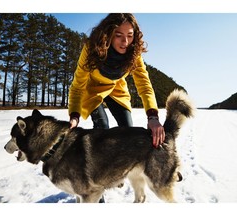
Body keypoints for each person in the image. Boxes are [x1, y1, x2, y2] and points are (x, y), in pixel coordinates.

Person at [68, 12, 165, 203]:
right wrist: (75, 116)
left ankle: (118, 172)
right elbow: (77, 86)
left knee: (129, 134)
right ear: (108, 34)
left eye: (130, 35)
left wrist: (152, 117)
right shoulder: (91, 49)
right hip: (93, 91)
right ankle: (96, 193)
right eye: (119, 35)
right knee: (102, 133)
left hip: (116, 89)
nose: (125, 41)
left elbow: (144, 84)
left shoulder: (133, 53)